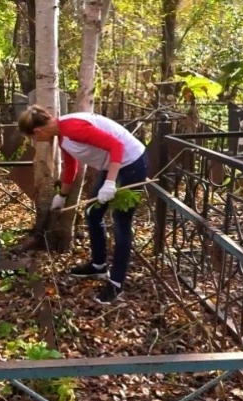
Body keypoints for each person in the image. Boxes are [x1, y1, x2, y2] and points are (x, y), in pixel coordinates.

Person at [18, 105, 148, 304]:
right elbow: (72, 167)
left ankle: (116, 283)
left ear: (38, 131)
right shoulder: (62, 135)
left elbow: (117, 146)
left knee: (121, 223)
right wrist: (62, 195)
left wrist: (110, 183)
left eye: (33, 139)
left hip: (132, 163)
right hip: (111, 165)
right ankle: (98, 265)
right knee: (93, 213)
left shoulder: (73, 128)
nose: (35, 142)